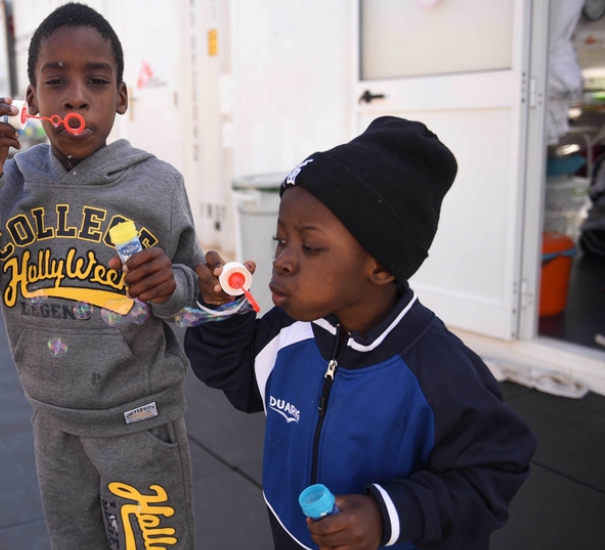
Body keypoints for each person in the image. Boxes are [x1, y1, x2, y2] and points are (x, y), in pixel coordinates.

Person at [185, 117, 537, 550]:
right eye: (281, 240)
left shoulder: (440, 372)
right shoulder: (290, 332)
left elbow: (492, 474)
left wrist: (387, 515)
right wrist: (221, 311)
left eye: (310, 247)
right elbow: (239, 378)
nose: (282, 261)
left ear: (382, 266)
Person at [0, 4, 201, 548]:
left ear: (121, 97)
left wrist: (173, 287)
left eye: (96, 80)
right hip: (52, 423)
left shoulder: (158, 185)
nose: (76, 96)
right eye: (55, 80)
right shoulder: (8, 182)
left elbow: (194, 295)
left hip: (139, 421)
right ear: (31, 101)